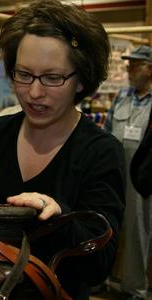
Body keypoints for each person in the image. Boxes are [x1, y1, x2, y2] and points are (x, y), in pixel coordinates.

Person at [0, 1, 126, 299]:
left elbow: (99, 265)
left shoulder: (100, 152)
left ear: (81, 80)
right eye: (23, 74)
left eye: (52, 78)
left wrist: (57, 217)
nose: (34, 93)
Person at [103, 45, 152, 300]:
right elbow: (108, 130)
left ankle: (136, 289)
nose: (129, 69)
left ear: (150, 68)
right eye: (128, 64)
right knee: (108, 224)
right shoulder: (122, 96)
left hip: (141, 176)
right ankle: (106, 277)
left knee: (137, 231)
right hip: (116, 171)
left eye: (135, 65)